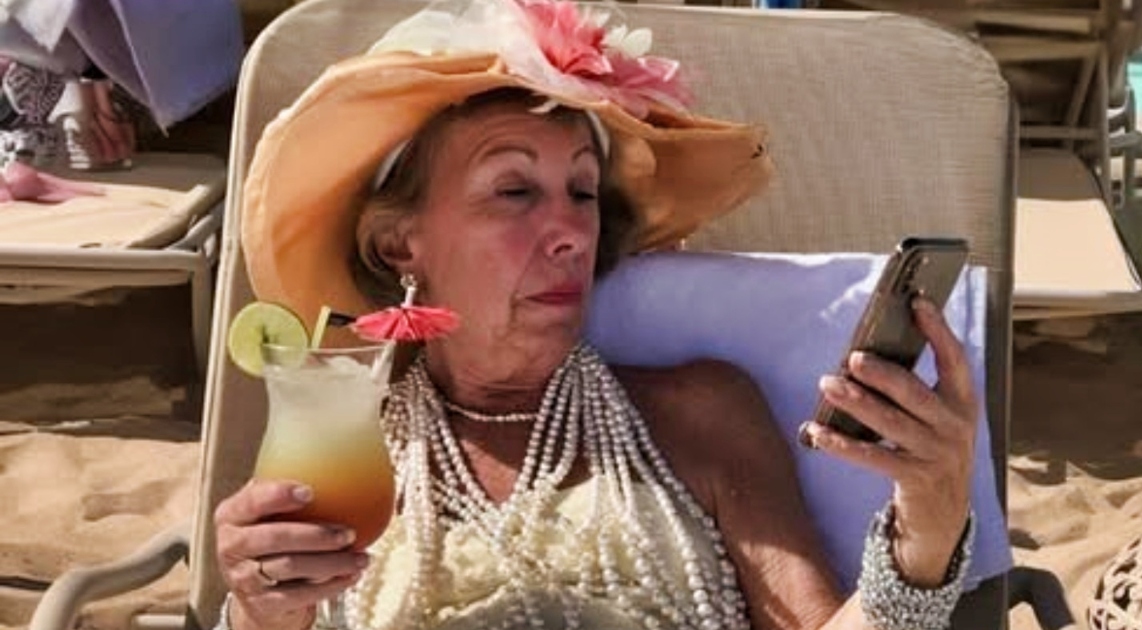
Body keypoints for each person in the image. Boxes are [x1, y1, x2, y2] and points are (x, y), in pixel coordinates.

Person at [213, 0, 979, 628]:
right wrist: (259, 613)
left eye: (583, 192)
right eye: (515, 190)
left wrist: (927, 531)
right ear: (399, 243)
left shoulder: (700, 418)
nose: (572, 232)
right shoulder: (345, 442)